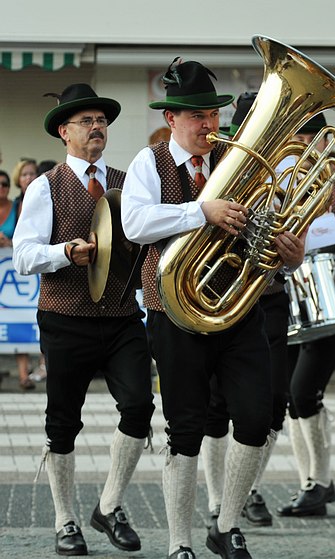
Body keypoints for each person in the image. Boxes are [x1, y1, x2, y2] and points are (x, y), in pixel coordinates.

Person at [121, 59, 272, 559]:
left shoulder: (236, 162)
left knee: (255, 417)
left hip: (236, 305)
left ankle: (225, 526)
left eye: (212, 114)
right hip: (173, 312)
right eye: (196, 116)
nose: (209, 125)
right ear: (171, 120)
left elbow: (263, 227)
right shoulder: (150, 162)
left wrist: (285, 251)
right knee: (185, 427)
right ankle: (179, 541)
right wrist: (200, 210)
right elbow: (135, 224)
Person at [13, 83, 155, 557]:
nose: (97, 128)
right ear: (64, 132)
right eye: (87, 121)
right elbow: (24, 256)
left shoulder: (127, 178)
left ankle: (109, 506)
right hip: (64, 317)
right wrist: (65, 252)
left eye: (102, 121)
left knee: (139, 407)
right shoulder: (44, 186)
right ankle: (65, 519)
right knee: (62, 424)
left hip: (121, 316)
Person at [200, 91, 306, 528]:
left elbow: (297, 243)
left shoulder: (283, 172)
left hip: (268, 295)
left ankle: (244, 488)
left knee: (273, 402)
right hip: (219, 296)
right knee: (216, 406)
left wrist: (292, 250)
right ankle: (216, 498)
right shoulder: (216, 168)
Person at [277, 114, 335, 518]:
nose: (306, 146)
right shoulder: (282, 187)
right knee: (290, 394)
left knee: (305, 391)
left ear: (325, 144)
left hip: (329, 302)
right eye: (299, 138)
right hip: (288, 302)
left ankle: (319, 482)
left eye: (313, 139)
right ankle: (313, 482)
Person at [11, 157, 39, 390]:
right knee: (17, 319)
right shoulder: (12, 205)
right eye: (25, 174)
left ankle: (43, 365)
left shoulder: (42, 197)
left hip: (39, 273)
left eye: (33, 173)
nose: (29, 178)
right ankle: (23, 373)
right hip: (16, 273)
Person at [0, 170, 16, 247]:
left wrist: (9, 243)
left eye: (4, 184)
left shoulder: (17, 208)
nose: (1, 187)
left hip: (10, 256)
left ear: (9, 187)